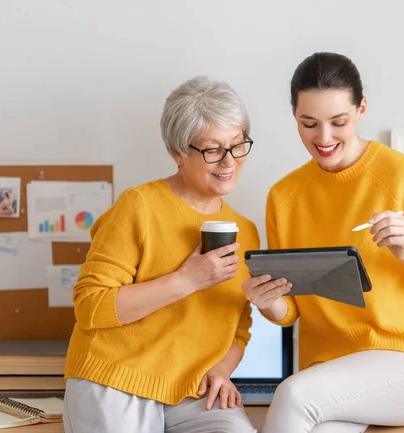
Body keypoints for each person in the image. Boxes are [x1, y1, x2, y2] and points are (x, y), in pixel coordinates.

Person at [242, 52, 404, 433]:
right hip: (332, 371)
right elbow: (292, 310)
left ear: (361, 110)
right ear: (294, 115)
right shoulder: (284, 196)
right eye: (309, 123)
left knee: (294, 397)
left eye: (338, 122)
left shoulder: (403, 178)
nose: (324, 138)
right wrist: (269, 301)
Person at [64, 76, 259, 433]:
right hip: (116, 380)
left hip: (193, 391)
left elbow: (240, 326)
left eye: (237, 145)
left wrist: (222, 369)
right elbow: (90, 306)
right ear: (178, 153)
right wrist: (187, 280)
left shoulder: (244, 230)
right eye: (213, 149)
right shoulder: (138, 206)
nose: (229, 161)